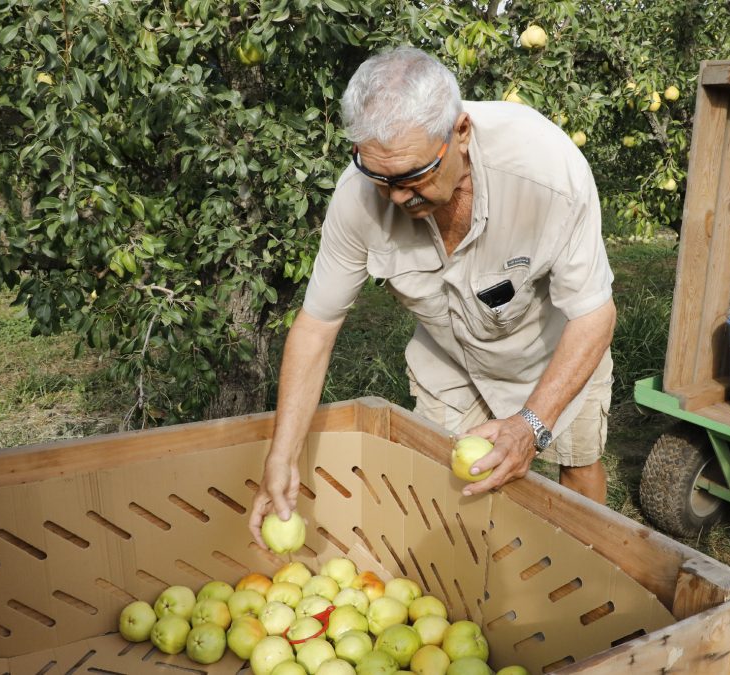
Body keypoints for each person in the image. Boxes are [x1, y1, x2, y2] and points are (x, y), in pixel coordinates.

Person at [248, 47, 616, 545]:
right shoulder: (358, 199)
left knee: (577, 466)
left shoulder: (547, 171)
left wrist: (531, 424)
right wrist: (282, 455)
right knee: (450, 493)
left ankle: (587, 585)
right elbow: (316, 328)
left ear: (460, 133)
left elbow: (593, 314)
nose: (396, 196)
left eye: (411, 176)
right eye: (379, 176)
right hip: (450, 357)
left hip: (553, 348)